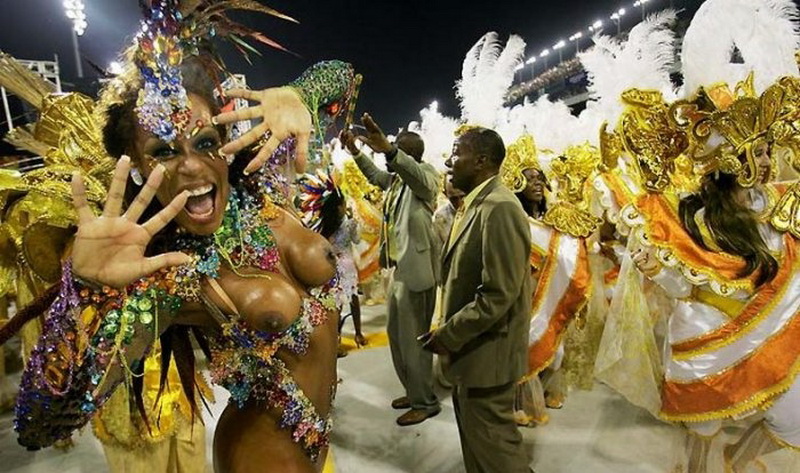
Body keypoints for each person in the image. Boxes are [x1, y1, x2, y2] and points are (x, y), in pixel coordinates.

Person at [1, 2, 358, 472]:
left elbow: (344, 76)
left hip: (319, 436)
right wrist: (84, 294)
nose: (191, 165)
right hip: (260, 451)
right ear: (137, 168)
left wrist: (299, 94)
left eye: (204, 142)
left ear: (224, 140)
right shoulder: (172, 274)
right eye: (164, 151)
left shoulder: (264, 184)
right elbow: (40, 422)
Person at [420, 127, 533, 473]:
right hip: (474, 354)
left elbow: (498, 294)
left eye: (457, 153)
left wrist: (448, 335)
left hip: (488, 356)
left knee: (498, 453)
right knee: (479, 450)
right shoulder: (476, 205)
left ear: (481, 161)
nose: (449, 161)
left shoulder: (500, 208)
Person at [340, 114, 442, 426]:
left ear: (409, 153)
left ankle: (426, 402)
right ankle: (414, 392)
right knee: (398, 339)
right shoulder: (397, 181)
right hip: (399, 271)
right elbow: (374, 176)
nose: (388, 151)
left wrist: (389, 150)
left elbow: (418, 178)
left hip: (417, 273)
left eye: (397, 148)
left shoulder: (426, 176)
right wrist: (355, 151)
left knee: (415, 342)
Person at [432, 178, 465, 252]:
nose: (459, 202)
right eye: (454, 199)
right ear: (446, 195)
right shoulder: (439, 218)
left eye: (462, 196)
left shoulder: (475, 210)